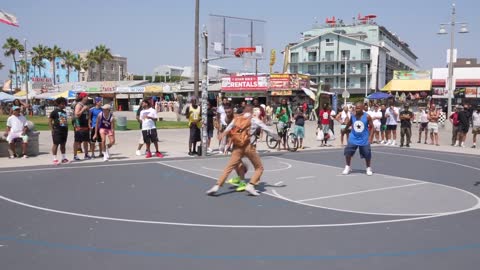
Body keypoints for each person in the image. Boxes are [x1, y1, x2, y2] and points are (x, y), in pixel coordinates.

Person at [206, 105, 279, 196]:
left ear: (244, 110)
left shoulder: (237, 118)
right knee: (259, 168)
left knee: (229, 167)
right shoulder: (254, 119)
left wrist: (222, 135)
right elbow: (266, 129)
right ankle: (251, 185)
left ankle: (217, 186)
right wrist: (276, 137)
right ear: (252, 111)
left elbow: (229, 128)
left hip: (237, 147)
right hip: (249, 146)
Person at [342, 102, 374, 176]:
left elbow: (372, 127)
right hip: (353, 138)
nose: (356, 109)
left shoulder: (367, 116)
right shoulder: (353, 116)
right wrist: (345, 130)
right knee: (348, 152)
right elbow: (349, 123)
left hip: (364, 139)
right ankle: (347, 167)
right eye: (356, 108)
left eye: (358, 108)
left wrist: (370, 137)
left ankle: (368, 168)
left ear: (362, 108)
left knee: (367, 154)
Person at [49, 97, 69, 165]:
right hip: (57, 130)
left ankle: (63, 158)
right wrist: (52, 129)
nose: (64, 105)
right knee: (56, 144)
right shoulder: (54, 112)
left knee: (63, 144)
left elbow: (64, 121)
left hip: (64, 130)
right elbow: (50, 120)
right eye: (62, 104)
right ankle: (55, 158)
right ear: (58, 104)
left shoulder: (64, 112)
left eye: (64, 104)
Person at [73, 92, 91, 161]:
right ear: (83, 97)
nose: (87, 98)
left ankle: (86, 154)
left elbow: (88, 115)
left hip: (85, 125)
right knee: (77, 141)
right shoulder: (79, 105)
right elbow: (76, 115)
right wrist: (83, 109)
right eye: (86, 96)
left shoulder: (85, 105)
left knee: (86, 141)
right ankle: (75, 156)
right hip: (79, 126)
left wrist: (89, 122)